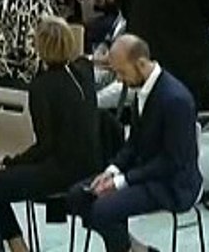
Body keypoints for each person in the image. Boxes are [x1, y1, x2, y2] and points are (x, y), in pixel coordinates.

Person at [0, 16, 103, 252]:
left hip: (60, 171)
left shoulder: (42, 87)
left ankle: (3, 247)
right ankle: (18, 247)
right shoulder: (84, 71)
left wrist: (9, 163)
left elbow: (46, 145)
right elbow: (87, 59)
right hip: (89, 165)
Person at [67, 35, 201, 252]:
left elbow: (171, 162)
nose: (119, 80)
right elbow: (133, 144)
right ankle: (137, 250)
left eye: (121, 72)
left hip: (172, 184)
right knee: (77, 196)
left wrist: (121, 181)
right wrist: (112, 170)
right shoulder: (143, 90)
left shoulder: (176, 100)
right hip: (144, 172)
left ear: (140, 64)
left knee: (102, 210)